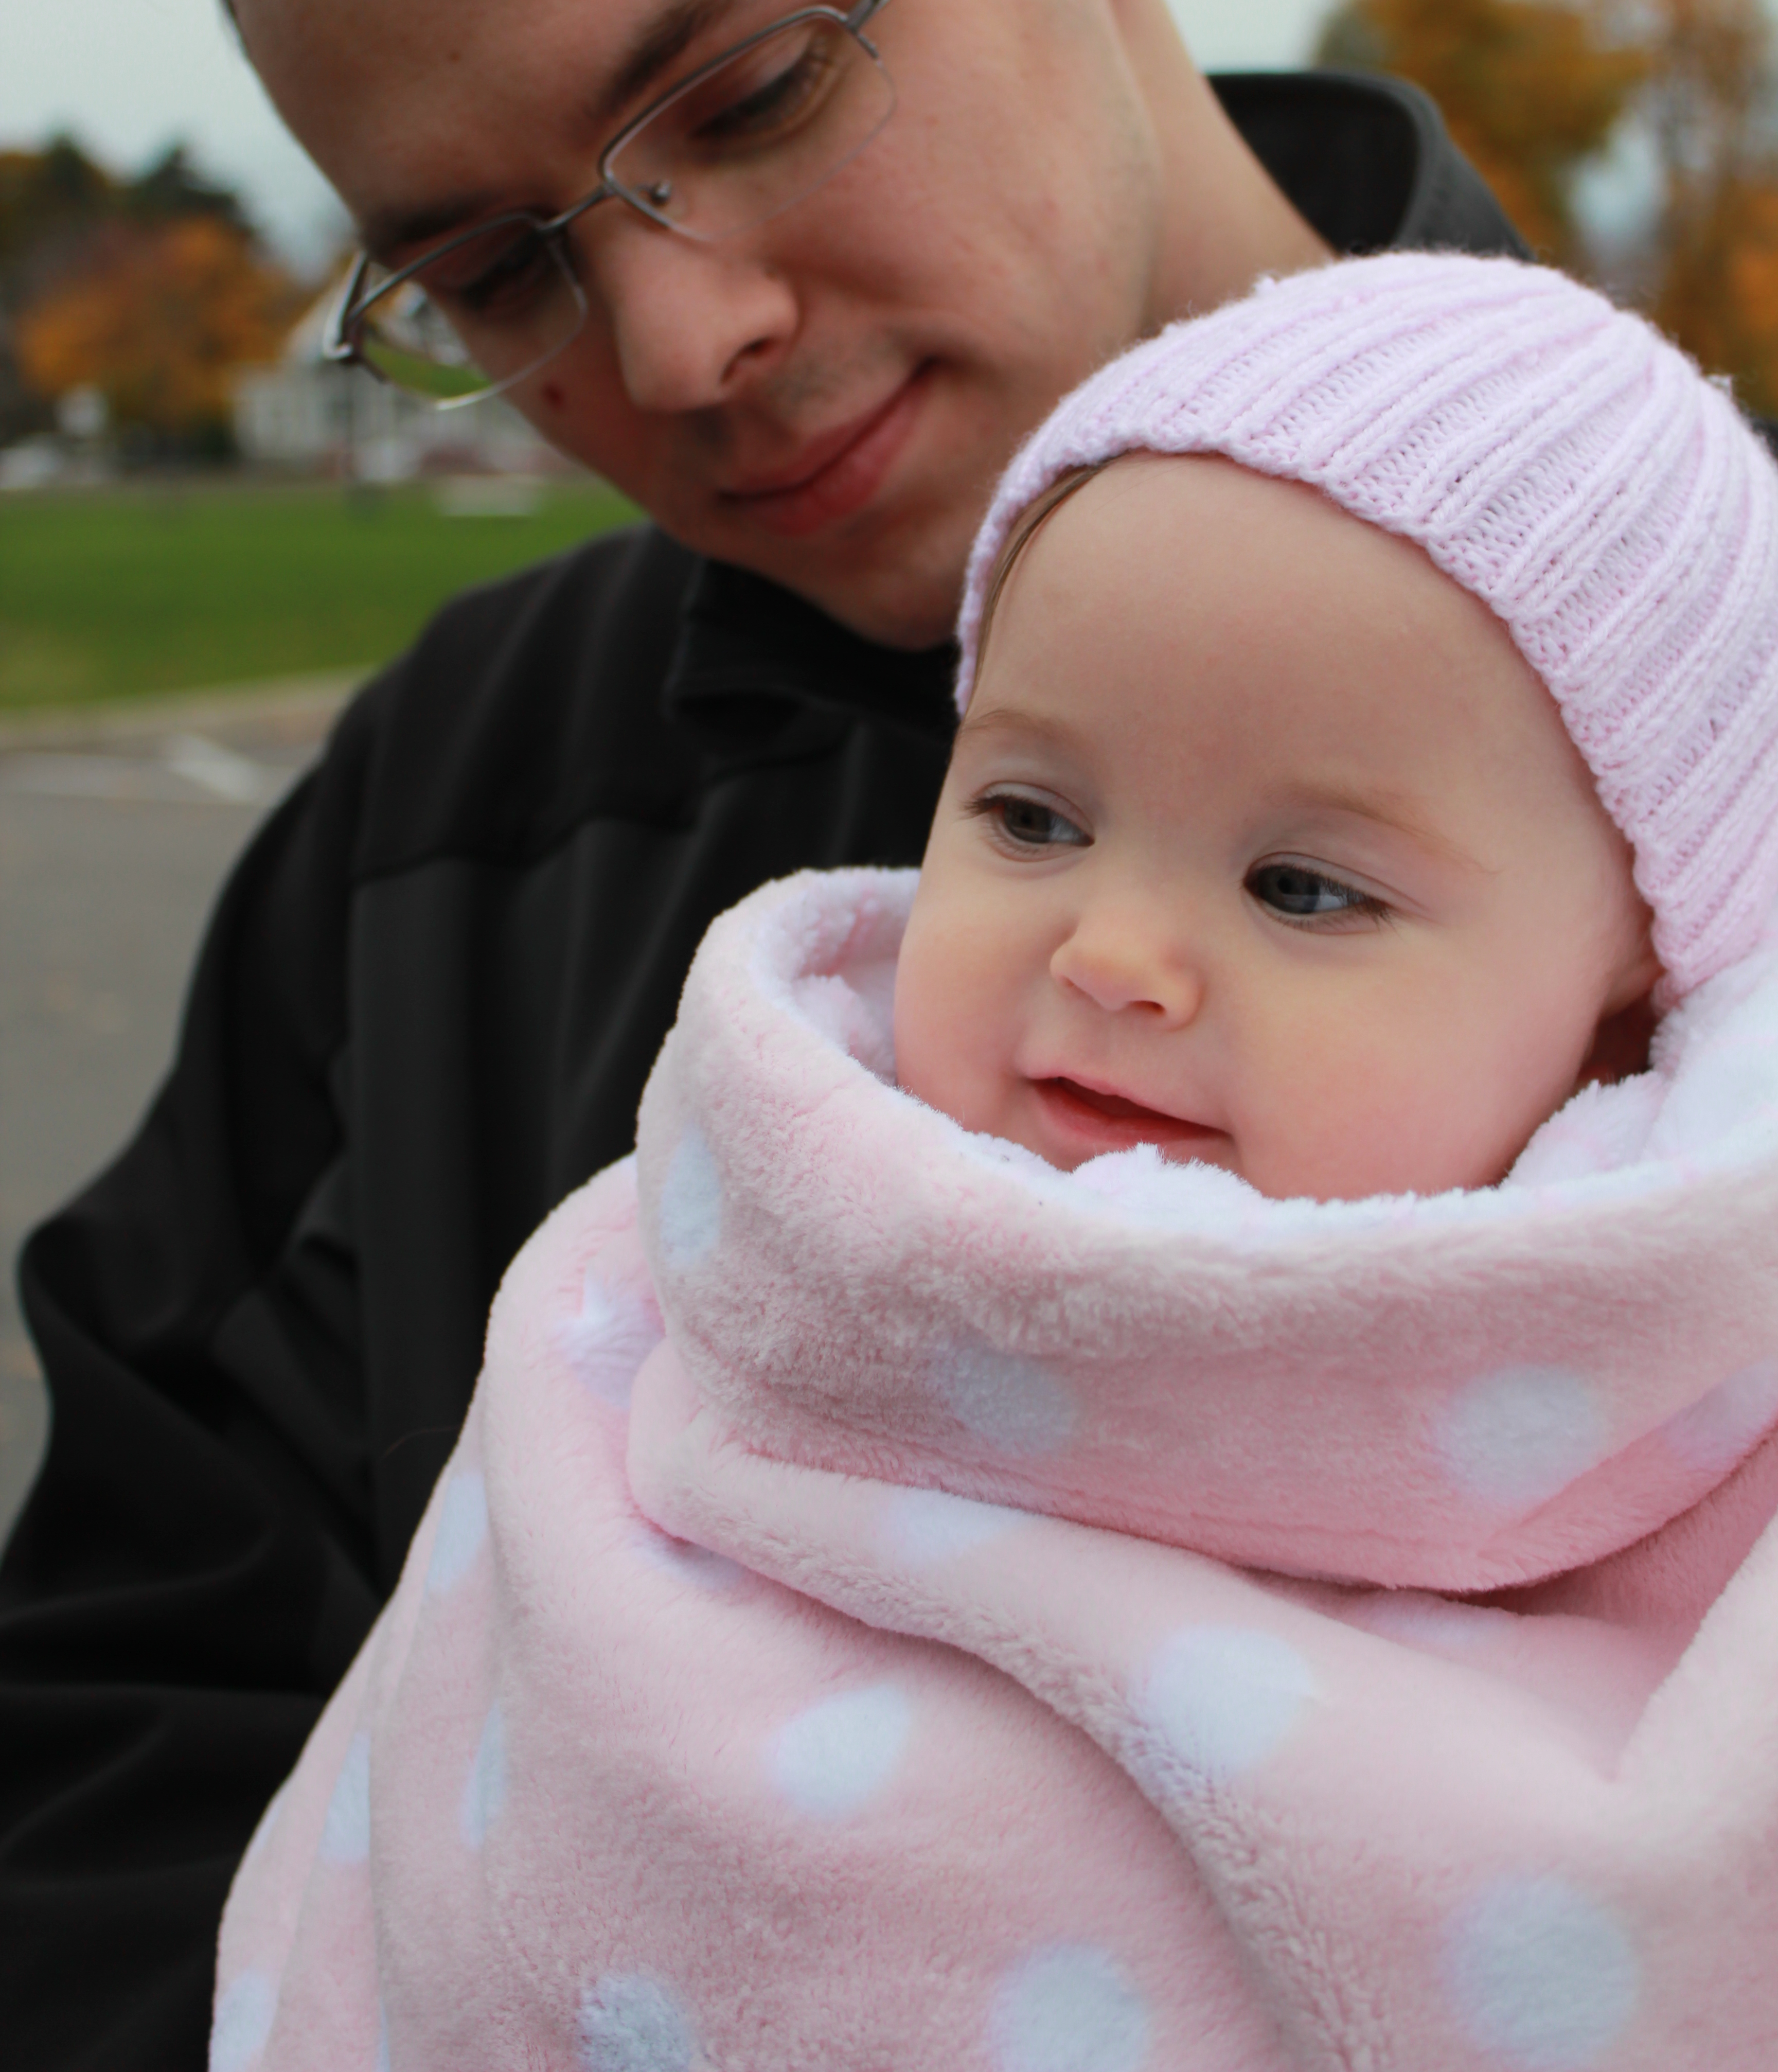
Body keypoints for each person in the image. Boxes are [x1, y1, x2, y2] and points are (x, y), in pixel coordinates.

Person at [0, 0, 1539, 2062]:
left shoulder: (1720, 686)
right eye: (497, 272)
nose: (684, 341)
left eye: (754, 87)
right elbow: (124, 1765)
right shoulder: (451, 816)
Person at [207, 253, 1778, 2068]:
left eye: (1301, 887)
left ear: (1629, 992)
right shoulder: (689, 1272)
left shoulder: (1698, 1418)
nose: (1111, 954)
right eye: (1032, 815)